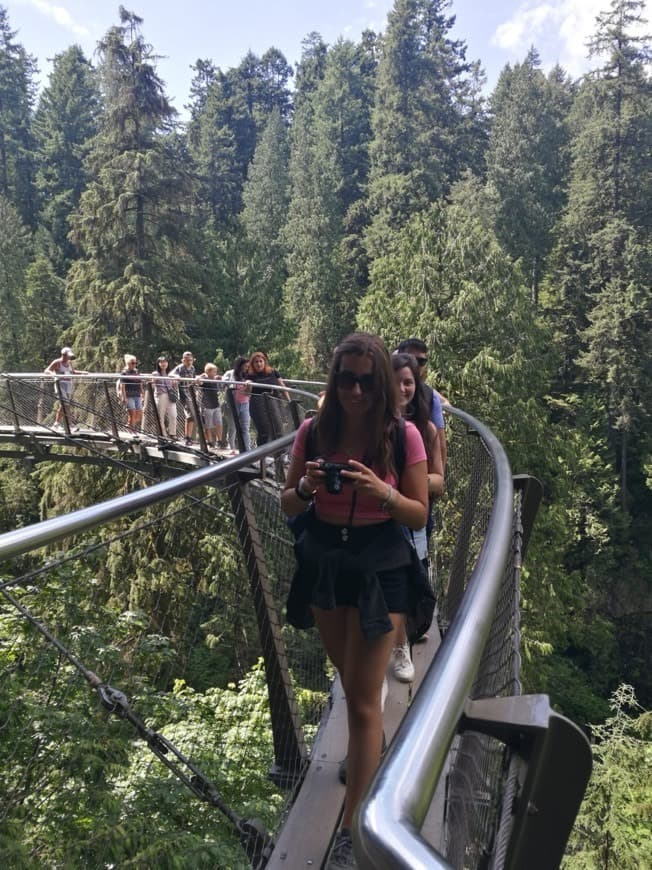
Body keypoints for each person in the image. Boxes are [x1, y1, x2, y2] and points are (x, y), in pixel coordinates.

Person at [281, 333, 429, 869]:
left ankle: (352, 832)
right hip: (325, 563)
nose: (357, 390)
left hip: (381, 566)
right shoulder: (313, 432)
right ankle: (374, 745)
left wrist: (381, 492)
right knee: (349, 680)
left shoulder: (404, 435)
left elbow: (417, 512)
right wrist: (310, 490)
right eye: (347, 378)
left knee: (364, 700)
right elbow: (286, 500)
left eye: (368, 380)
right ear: (334, 379)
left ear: (383, 383)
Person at [389, 352, 445, 682]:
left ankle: (409, 632)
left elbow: (439, 480)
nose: (402, 389)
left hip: (414, 517)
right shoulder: (372, 426)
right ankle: (399, 646)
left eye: (408, 382)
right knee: (395, 578)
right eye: (395, 383)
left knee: (415, 575)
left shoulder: (425, 429)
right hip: (382, 519)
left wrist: (413, 479)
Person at [396, 338, 448, 475]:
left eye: (421, 361)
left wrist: (435, 481)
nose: (415, 364)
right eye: (410, 358)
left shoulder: (431, 398)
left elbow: (441, 445)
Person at [247, 350, 290, 446]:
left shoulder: (273, 372)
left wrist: (289, 401)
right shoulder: (250, 375)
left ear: (264, 362)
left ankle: (280, 455)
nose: (259, 364)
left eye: (260, 361)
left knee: (278, 429)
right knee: (264, 432)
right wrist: (248, 385)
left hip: (273, 404)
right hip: (257, 406)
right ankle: (262, 457)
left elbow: (282, 386)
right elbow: (246, 393)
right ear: (252, 364)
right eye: (256, 362)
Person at [44, 346, 88, 429]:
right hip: (60, 384)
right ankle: (70, 425)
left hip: (68, 384)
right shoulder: (57, 362)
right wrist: (53, 374)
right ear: (63, 355)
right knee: (66, 404)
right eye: (67, 356)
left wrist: (83, 372)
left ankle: (56, 424)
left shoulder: (69, 363)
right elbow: (47, 370)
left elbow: (73, 372)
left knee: (63, 405)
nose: (69, 358)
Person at [223, 355, 252, 452]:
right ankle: (231, 447)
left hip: (245, 403)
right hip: (232, 403)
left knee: (245, 427)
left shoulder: (248, 375)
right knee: (233, 426)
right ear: (240, 365)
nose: (247, 368)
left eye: (248, 366)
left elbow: (250, 391)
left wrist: (249, 384)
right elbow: (222, 384)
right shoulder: (230, 373)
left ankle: (247, 450)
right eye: (245, 366)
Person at [171, 351, 197, 446]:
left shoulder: (193, 368)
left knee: (192, 416)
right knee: (191, 415)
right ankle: (187, 437)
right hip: (183, 395)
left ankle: (188, 437)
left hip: (191, 394)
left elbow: (193, 380)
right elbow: (171, 374)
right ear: (183, 360)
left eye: (190, 360)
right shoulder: (180, 368)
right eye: (186, 360)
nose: (189, 362)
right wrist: (176, 376)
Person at [196, 363, 223, 448]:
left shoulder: (215, 379)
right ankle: (210, 442)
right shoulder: (204, 379)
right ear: (208, 372)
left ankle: (220, 441)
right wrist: (202, 375)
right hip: (206, 406)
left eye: (215, 371)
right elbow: (198, 381)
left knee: (219, 423)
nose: (215, 373)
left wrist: (218, 378)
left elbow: (221, 381)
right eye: (213, 371)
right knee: (208, 425)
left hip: (216, 405)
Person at [151, 356, 178, 439]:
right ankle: (162, 434)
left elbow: (175, 386)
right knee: (160, 416)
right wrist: (153, 381)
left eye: (165, 362)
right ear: (158, 364)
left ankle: (172, 433)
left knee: (173, 415)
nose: (163, 364)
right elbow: (152, 385)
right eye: (161, 362)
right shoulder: (156, 373)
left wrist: (175, 382)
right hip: (161, 395)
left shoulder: (171, 374)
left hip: (170, 395)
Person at [120, 354, 144, 430]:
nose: (134, 364)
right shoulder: (124, 372)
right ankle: (132, 430)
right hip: (129, 395)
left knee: (139, 414)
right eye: (132, 363)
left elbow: (140, 383)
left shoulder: (137, 371)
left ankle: (129, 425)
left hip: (137, 394)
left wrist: (142, 393)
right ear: (128, 363)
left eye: (135, 363)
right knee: (132, 413)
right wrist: (124, 397)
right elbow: (122, 386)